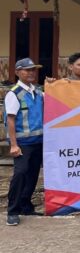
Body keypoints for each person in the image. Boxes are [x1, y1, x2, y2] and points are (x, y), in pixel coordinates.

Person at [3, 58, 44, 226]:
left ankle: (26, 205)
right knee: (20, 174)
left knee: (32, 174)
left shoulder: (38, 92)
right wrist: (13, 145)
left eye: (33, 70)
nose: (31, 73)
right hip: (22, 143)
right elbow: (10, 120)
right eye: (27, 70)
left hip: (38, 141)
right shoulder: (14, 94)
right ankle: (12, 211)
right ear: (18, 72)